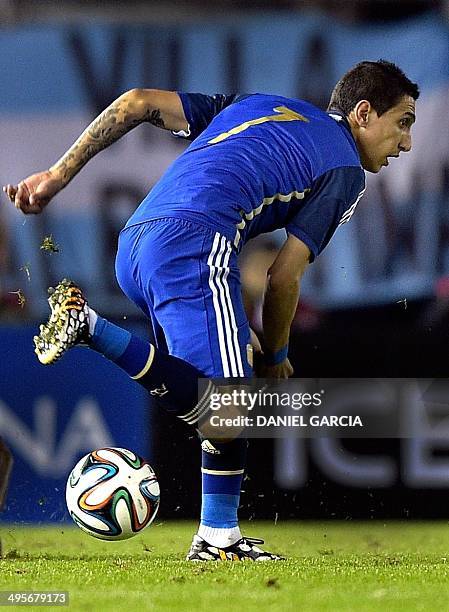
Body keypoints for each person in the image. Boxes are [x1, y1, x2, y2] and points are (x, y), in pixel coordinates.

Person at [3, 59, 418, 561]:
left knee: (218, 391)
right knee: (228, 406)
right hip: (194, 243)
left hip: (135, 245)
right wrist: (279, 352)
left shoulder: (260, 104)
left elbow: (136, 102)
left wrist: (56, 174)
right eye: (403, 122)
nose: (407, 143)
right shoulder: (345, 170)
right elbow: (284, 276)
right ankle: (90, 327)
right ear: (364, 113)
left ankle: (217, 537)